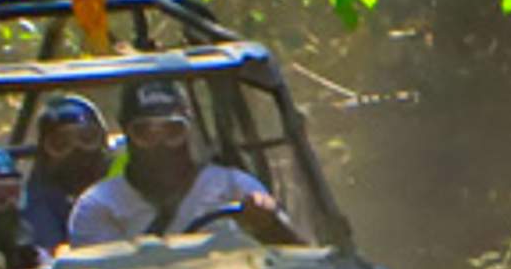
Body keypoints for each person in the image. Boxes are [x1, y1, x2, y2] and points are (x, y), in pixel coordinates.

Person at [66, 81, 300, 246]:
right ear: (127, 135)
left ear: (188, 132)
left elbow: (298, 262)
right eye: (145, 133)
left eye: (172, 131)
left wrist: (268, 224)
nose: (160, 145)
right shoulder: (98, 206)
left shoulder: (233, 188)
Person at [17, 95, 111, 257]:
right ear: (45, 153)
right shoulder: (38, 200)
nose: (77, 151)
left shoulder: (125, 182)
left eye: (87, 138)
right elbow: (51, 253)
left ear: (102, 142)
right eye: (61, 143)